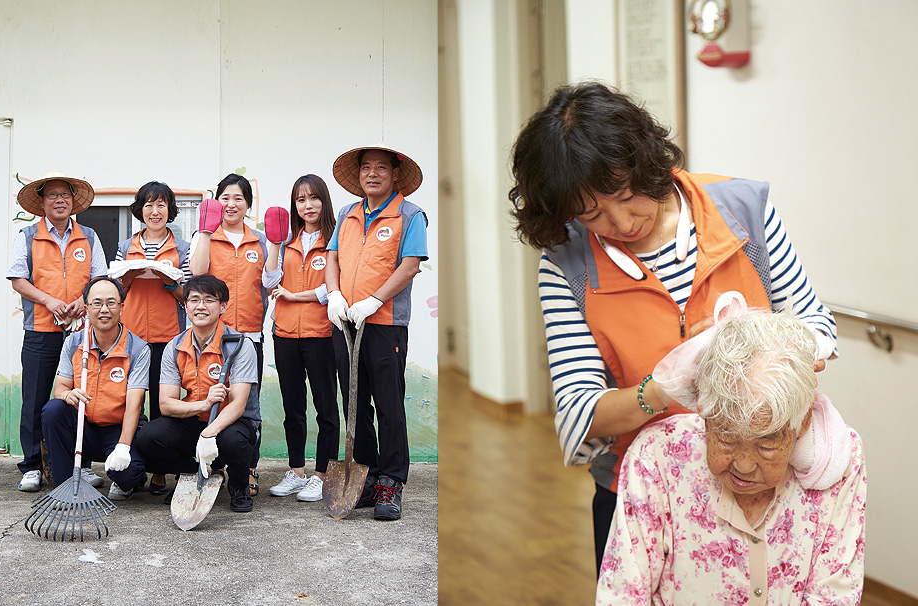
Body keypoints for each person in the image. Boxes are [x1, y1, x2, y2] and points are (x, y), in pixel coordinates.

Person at [508, 81, 838, 574]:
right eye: (592, 213)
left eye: (625, 194)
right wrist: (661, 389)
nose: (621, 221)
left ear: (646, 162)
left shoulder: (743, 211)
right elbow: (580, 416)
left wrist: (763, 343)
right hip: (643, 494)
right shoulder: (566, 264)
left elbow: (816, 327)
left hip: (765, 481)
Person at [595, 309, 865, 604]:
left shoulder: (840, 461)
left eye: (767, 443)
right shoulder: (657, 456)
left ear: (801, 424)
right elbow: (622, 594)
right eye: (726, 437)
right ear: (704, 412)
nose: (744, 465)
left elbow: (833, 596)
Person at [326, 144, 428, 521]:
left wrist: (373, 300)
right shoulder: (347, 213)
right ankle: (365, 474)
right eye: (366, 167)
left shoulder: (410, 215)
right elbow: (332, 257)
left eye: (380, 168)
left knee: (388, 404)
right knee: (354, 402)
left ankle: (391, 481)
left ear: (395, 174)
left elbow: (410, 265)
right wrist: (334, 295)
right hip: (345, 321)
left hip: (384, 324)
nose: (372, 173)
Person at [7, 170, 108, 492]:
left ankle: (81, 465)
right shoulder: (27, 235)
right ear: (42, 202)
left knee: (81, 397)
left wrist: (82, 301)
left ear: (73, 201)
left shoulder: (89, 236)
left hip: (81, 331)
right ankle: (32, 466)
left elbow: (100, 278)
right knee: (35, 399)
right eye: (52, 195)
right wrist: (50, 301)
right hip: (39, 329)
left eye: (65, 195)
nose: (59, 200)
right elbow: (18, 278)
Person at [135, 274, 260, 513]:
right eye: (193, 300)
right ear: (185, 305)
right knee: (148, 437)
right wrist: (203, 405)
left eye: (209, 300)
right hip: (197, 417)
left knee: (232, 439)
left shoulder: (240, 345)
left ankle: (239, 485)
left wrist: (208, 435)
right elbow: (166, 405)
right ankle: (193, 473)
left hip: (235, 423)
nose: (200, 306)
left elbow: (239, 404)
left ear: (223, 306)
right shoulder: (175, 346)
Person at [189, 174, 267, 496]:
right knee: (212, 398)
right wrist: (206, 233)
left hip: (249, 334)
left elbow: (270, 281)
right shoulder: (204, 236)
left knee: (249, 406)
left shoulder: (260, 240)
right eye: (225, 198)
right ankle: (214, 464)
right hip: (213, 336)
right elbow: (196, 274)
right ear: (216, 201)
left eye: (238, 198)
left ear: (248, 204)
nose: (231, 204)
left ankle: (248, 469)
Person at [264, 175, 338, 502]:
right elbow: (269, 280)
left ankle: (321, 475)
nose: (307, 206)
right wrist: (275, 244)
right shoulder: (288, 242)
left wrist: (296, 296)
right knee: (293, 407)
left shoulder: (335, 239)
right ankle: (296, 472)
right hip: (285, 335)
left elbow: (334, 287)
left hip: (321, 334)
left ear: (324, 201)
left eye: (313, 198)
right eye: (300, 200)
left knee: (325, 408)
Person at [113, 181, 191, 495]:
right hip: (130, 338)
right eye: (148, 205)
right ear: (140, 210)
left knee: (161, 409)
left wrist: (168, 281)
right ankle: (125, 470)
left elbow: (189, 297)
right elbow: (115, 292)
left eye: (161, 205)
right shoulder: (124, 246)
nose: (154, 211)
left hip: (167, 337)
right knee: (127, 403)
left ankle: (159, 472)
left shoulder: (183, 248)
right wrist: (128, 279)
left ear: (170, 210)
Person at [41, 277, 150, 501]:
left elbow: (134, 404)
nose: (104, 310)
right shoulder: (74, 343)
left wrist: (123, 446)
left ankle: (130, 478)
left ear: (122, 306)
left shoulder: (138, 348)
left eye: (111, 303)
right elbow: (59, 388)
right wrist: (68, 394)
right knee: (54, 410)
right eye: (97, 303)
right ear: (87, 308)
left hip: (118, 428)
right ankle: (66, 487)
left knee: (127, 475)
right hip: (83, 425)